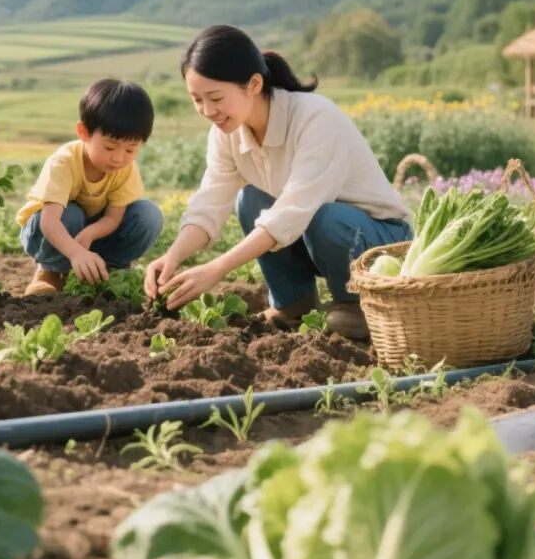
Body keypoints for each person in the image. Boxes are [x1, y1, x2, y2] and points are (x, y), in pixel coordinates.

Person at [144, 25, 412, 340]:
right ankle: (292, 304)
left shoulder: (315, 118)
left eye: (215, 97)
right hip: (314, 235)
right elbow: (210, 202)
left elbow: (292, 213)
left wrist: (217, 269)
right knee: (251, 199)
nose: (207, 111)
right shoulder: (226, 132)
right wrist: (173, 256)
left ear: (254, 84)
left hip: (380, 239)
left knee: (327, 216)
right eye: (197, 99)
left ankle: (357, 305)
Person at [16, 78, 163, 295]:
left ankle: (109, 270)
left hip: (89, 236)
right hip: (48, 234)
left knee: (148, 214)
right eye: (110, 147)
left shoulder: (126, 169)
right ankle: (50, 273)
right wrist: (75, 252)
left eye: (131, 149)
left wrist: (90, 234)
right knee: (71, 214)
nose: (119, 158)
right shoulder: (64, 162)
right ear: (84, 132)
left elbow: (114, 217)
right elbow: (49, 222)